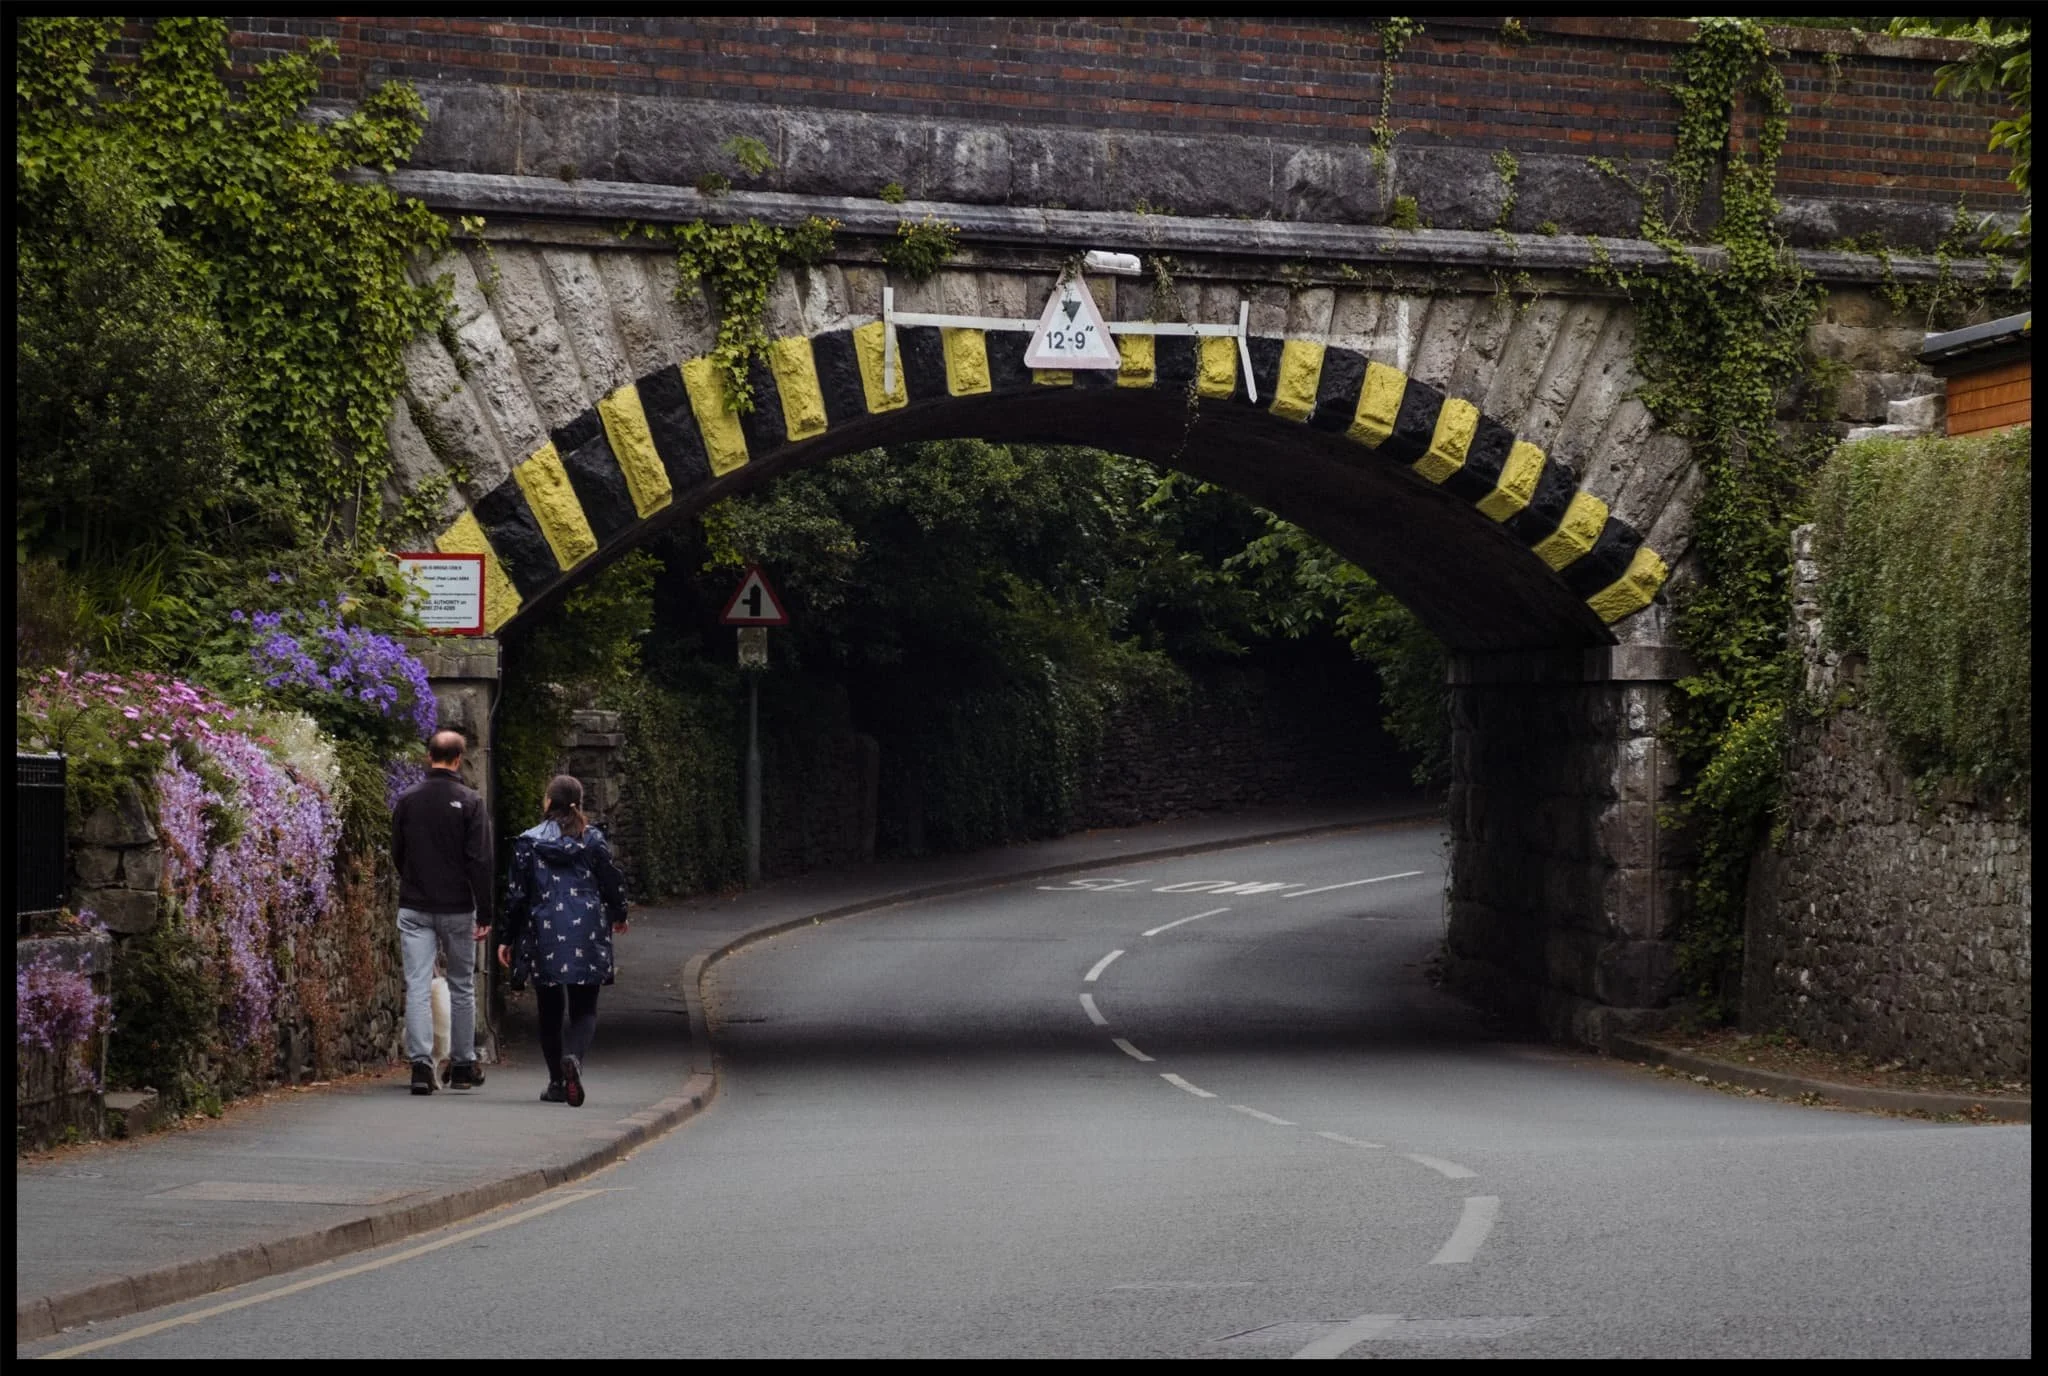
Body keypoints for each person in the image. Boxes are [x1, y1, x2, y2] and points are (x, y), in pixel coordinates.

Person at [497, 774, 629, 1107]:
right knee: (585, 1009)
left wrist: (507, 937)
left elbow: (516, 895)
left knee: (550, 1010)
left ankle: (557, 1081)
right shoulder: (593, 840)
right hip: (586, 930)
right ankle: (574, 1058)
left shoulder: (528, 842)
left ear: (548, 802)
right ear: (578, 804)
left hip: (544, 931)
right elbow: (611, 880)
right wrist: (619, 913)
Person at [390, 729, 493, 1095]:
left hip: (416, 904)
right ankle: (463, 1065)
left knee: (417, 984)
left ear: (428, 756)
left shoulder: (407, 799)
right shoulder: (470, 802)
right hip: (458, 906)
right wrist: (485, 912)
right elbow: (480, 860)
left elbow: (397, 852)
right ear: (458, 759)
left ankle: (421, 1065)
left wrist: (414, 880)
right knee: (462, 984)